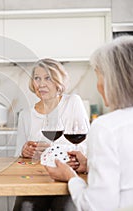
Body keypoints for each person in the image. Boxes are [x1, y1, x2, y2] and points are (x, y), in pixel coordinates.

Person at [46, 35, 133, 211]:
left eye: (99, 77)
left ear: (113, 81)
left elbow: (95, 206)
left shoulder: (106, 128)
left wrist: (71, 178)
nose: (98, 86)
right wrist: (90, 165)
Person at [13, 58, 90, 211]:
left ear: (58, 81)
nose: (41, 84)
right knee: (25, 207)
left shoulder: (73, 102)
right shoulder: (26, 115)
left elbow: (85, 145)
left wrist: (63, 156)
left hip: (69, 178)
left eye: (48, 78)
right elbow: (18, 157)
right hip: (37, 180)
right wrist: (25, 151)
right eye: (37, 78)